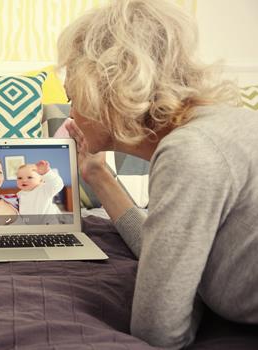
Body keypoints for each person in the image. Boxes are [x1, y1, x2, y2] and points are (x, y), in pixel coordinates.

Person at [57, 0, 258, 348]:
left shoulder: (191, 153)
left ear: (107, 93)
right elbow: (166, 252)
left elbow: (158, 331)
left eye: (72, 97)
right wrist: (96, 174)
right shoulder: (218, 126)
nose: (71, 112)